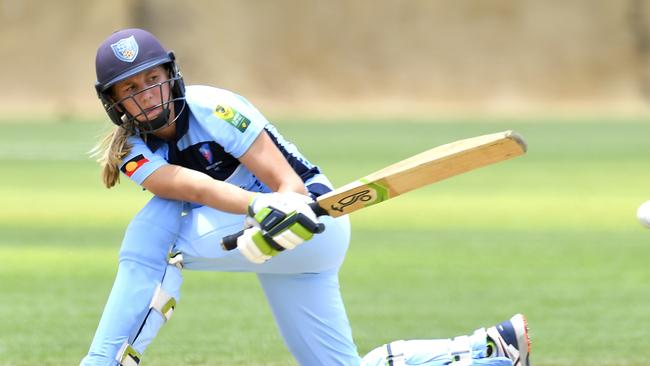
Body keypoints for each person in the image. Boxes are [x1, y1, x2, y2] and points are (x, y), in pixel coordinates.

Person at [80, 28, 531, 366]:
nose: (147, 95)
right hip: (261, 231)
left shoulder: (213, 107)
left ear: (171, 75)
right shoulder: (130, 151)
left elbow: (288, 184)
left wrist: (271, 208)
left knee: (164, 246)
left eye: (152, 79)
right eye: (131, 89)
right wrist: (256, 212)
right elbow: (186, 187)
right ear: (114, 102)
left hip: (312, 222)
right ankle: (490, 348)